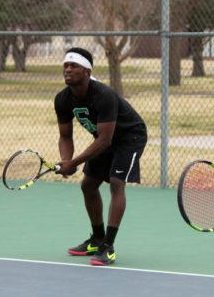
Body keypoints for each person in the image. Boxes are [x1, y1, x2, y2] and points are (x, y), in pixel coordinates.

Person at [54, 47, 148, 267]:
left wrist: (74, 163)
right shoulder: (62, 99)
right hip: (104, 139)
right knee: (88, 185)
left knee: (116, 183)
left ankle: (108, 246)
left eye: (74, 66)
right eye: (66, 66)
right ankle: (97, 239)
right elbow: (65, 136)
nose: (68, 70)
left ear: (87, 71)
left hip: (129, 137)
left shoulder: (104, 95)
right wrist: (67, 161)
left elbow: (105, 140)